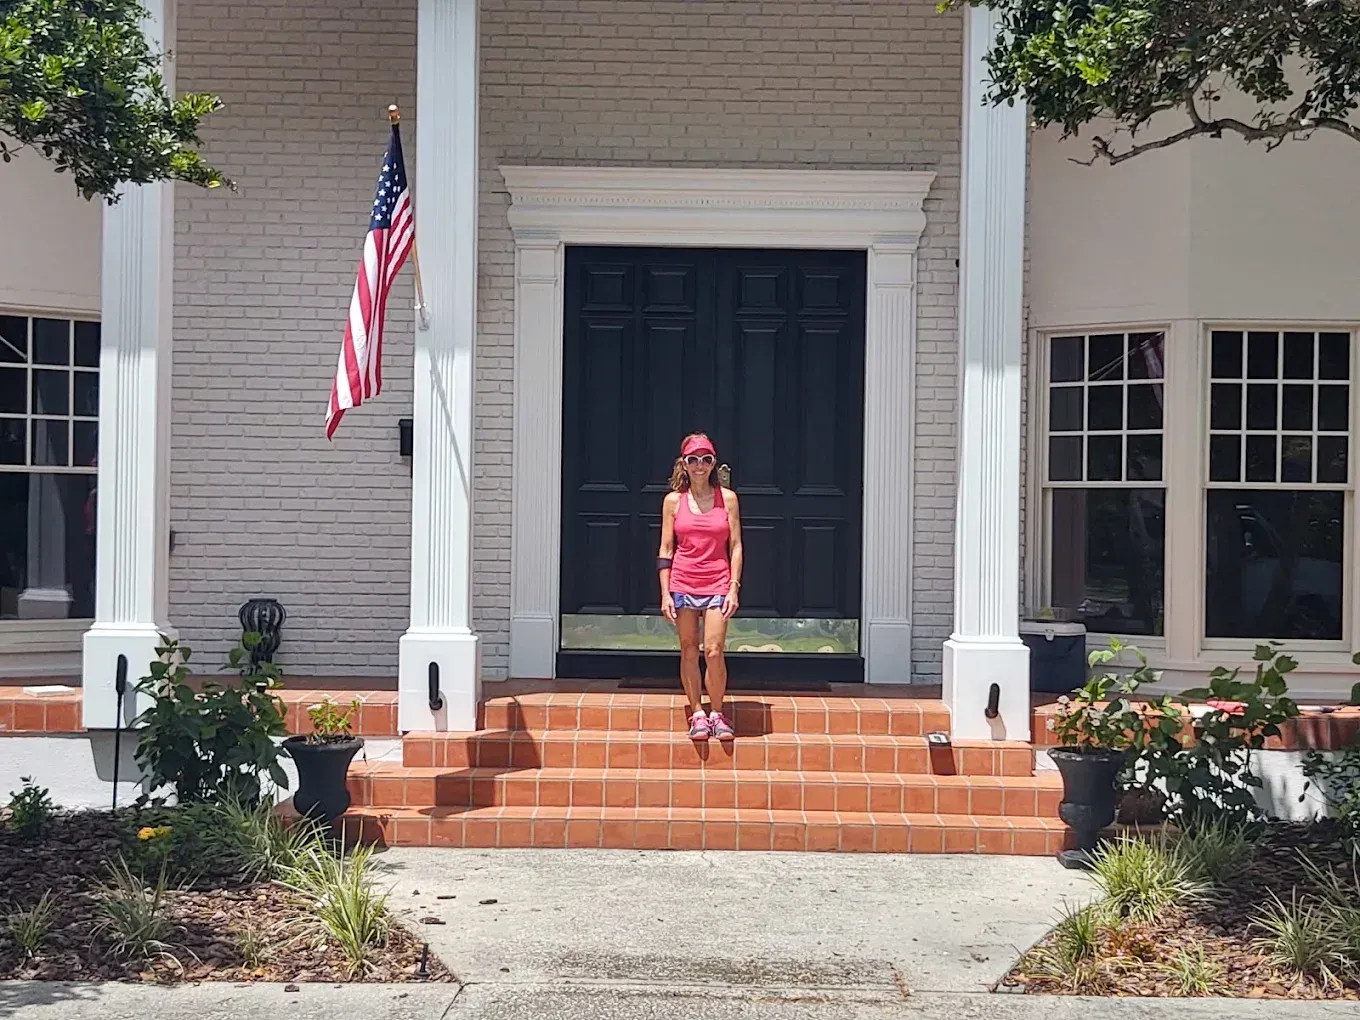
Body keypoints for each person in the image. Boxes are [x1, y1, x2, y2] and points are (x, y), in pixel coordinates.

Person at [656, 433, 743, 741]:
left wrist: (734, 587)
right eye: (693, 459)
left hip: (717, 580)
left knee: (715, 650)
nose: (699, 466)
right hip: (682, 580)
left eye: (706, 459)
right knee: (689, 649)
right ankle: (697, 713)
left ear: (713, 463)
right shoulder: (673, 501)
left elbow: (736, 546)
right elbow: (666, 547)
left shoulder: (727, 498)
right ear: (684, 464)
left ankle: (717, 713)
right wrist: (665, 592)